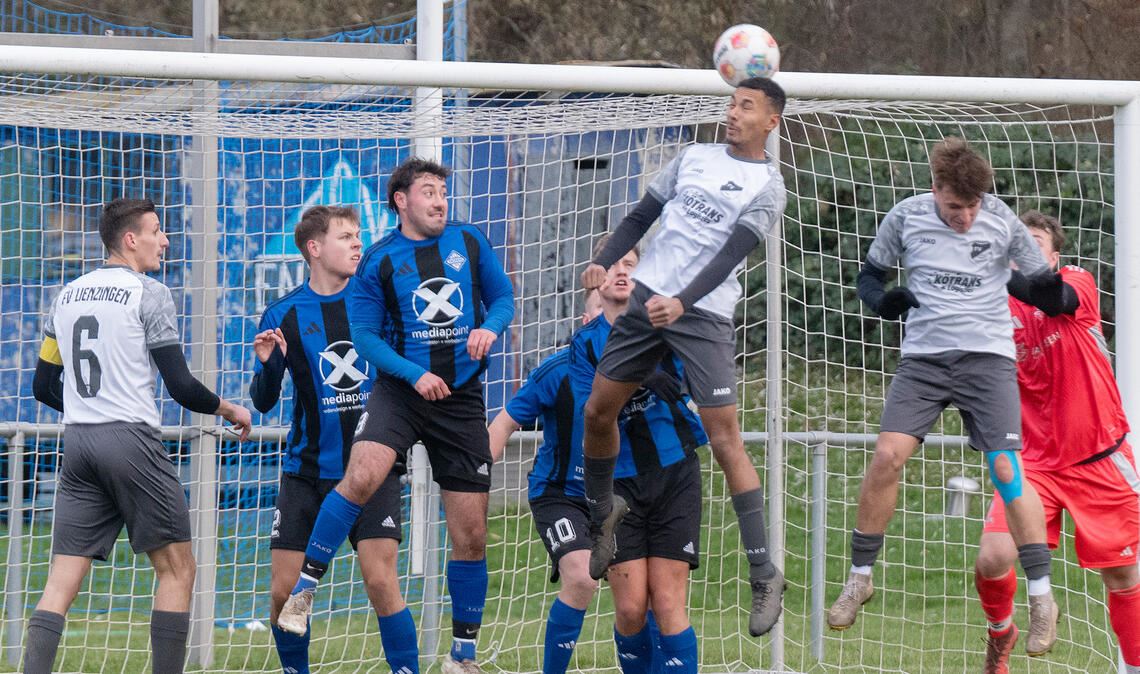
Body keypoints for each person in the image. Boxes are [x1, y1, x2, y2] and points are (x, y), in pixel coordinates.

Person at [277, 158, 515, 674]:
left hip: (462, 398)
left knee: (471, 533)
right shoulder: (380, 260)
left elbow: (502, 297)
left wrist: (491, 327)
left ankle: (463, 656)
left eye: (443, 191)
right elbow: (363, 338)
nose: (439, 200)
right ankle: (305, 590)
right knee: (361, 474)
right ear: (401, 201)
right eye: (428, 191)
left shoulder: (468, 241)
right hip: (400, 392)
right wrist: (413, 374)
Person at [827, 138, 1059, 652]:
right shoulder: (906, 216)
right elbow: (870, 276)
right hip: (925, 361)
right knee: (886, 456)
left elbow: (1040, 281)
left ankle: (1042, 599)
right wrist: (883, 301)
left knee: (1006, 468)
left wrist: (1057, 294)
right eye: (956, 207)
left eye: (974, 206)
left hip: (988, 359)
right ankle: (859, 577)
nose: (967, 217)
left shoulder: (1000, 220)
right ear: (936, 189)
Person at [578, 76, 789, 637]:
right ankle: (603, 515)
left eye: (746, 106)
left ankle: (765, 571)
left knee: (725, 439)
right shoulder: (691, 157)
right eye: (731, 103)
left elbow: (731, 253)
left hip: (703, 314)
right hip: (648, 299)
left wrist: (684, 301)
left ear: (770, 121)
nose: (733, 113)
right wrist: (604, 260)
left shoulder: (769, 185)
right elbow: (641, 216)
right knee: (598, 411)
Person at [26, 198, 252, 674]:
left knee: (60, 582)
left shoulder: (66, 295)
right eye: (157, 230)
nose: (165, 240)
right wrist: (231, 407)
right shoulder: (149, 293)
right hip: (130, 442)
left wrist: (94, 409)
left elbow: (42, 385)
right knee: (178, 569)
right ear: (131, 239)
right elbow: (182, 386)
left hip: (80, 445)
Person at [488, 242, 688, 674]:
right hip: (562, 493)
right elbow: (503, 422)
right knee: (581, 576)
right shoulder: (559, 370)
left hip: (619, 489)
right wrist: (476, 475)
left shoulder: (652, 353)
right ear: (585, 321)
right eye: (600, 315)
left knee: (651, 601)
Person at [250, 206, 417, 674]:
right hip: (306, 474)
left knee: (381, 581)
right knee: (286, 593)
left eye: (359, 235)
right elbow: (264, 402)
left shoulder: (378, 306)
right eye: (346, 236)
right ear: (314, 248)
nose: (357, 244)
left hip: (372, 468)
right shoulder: (283, 313)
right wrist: (267, 364)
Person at [973, 210, 1140, 673]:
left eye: (1035, 241)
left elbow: (1053, 297)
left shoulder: (1075, 281)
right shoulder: (994, 309)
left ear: (1054, 254)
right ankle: (1000, 634)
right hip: (1033, 464)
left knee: (1123, 574)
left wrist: (1002, 270)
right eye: (1016, 241)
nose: (1024, 247)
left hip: (1098, 456)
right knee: (992, 558)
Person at [571, 241, 709, 674]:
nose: (622, 271)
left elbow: (688, 376)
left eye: (631, 263)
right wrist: (641, 374)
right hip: (618, 486)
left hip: (674, 473)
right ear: (598, 278)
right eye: (613, 264)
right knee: (631, 610)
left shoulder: (663, 326)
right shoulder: (584, 345)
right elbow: (592, 413)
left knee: (668, 601)